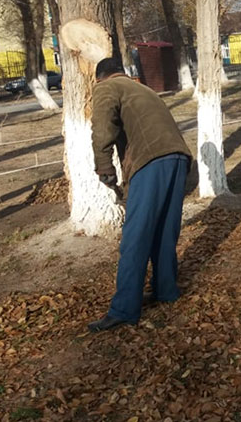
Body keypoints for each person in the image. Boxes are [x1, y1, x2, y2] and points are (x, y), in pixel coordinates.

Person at [88, 57, 192, 332]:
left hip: (151, 161)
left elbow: (102, 128)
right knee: (164, 232)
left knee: (136, 236)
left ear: (101, 76)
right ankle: (165, 290)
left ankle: (123, 310)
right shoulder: (143, 88)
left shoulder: (106, 87)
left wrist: (104, 167)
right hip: (179, 158)